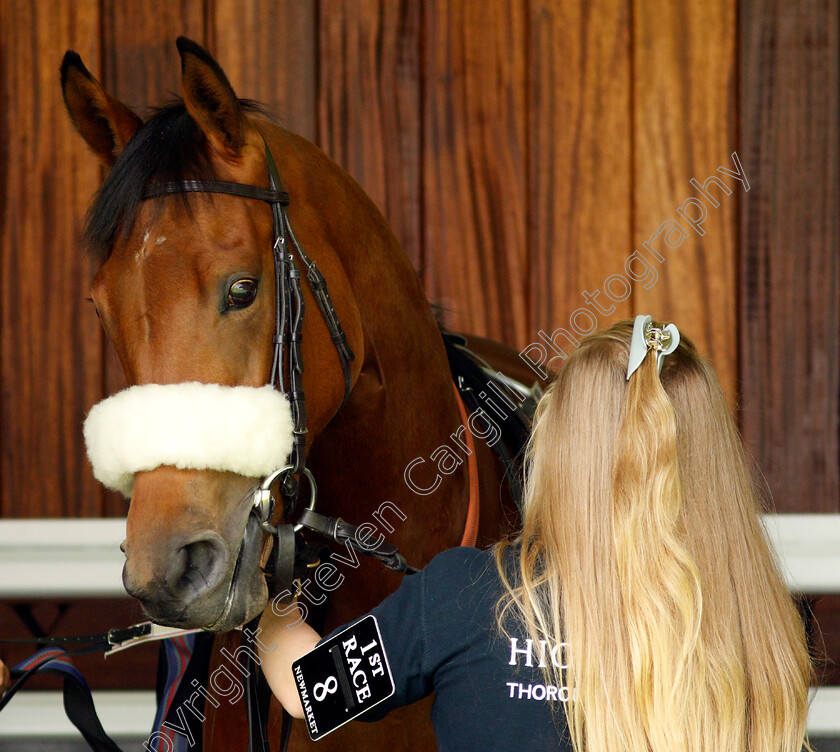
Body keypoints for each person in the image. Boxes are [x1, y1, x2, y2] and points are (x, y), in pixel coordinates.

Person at [258, 317, 815, 751]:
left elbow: (312, 691)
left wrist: (268, 598)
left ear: (557, 449)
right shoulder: (758, 627)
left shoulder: (465, 595)